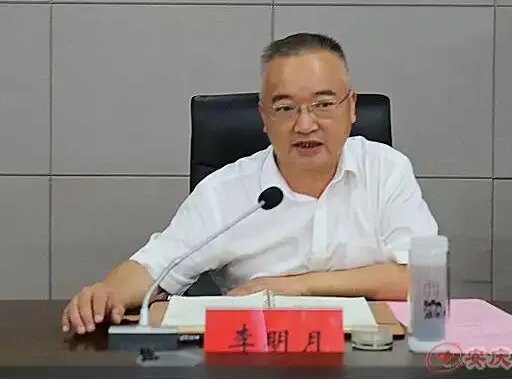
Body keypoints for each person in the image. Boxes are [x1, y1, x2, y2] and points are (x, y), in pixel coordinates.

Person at [61, 33, 438, 334]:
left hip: (371, 354)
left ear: (351, 106)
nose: (305, 124)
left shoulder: (385, 170)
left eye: (323, 104)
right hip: (255, 357)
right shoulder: (227, 191)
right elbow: (154, 266)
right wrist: (106, 293)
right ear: (263, 117)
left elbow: (423, 279)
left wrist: (294, 286)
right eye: (285, 108)